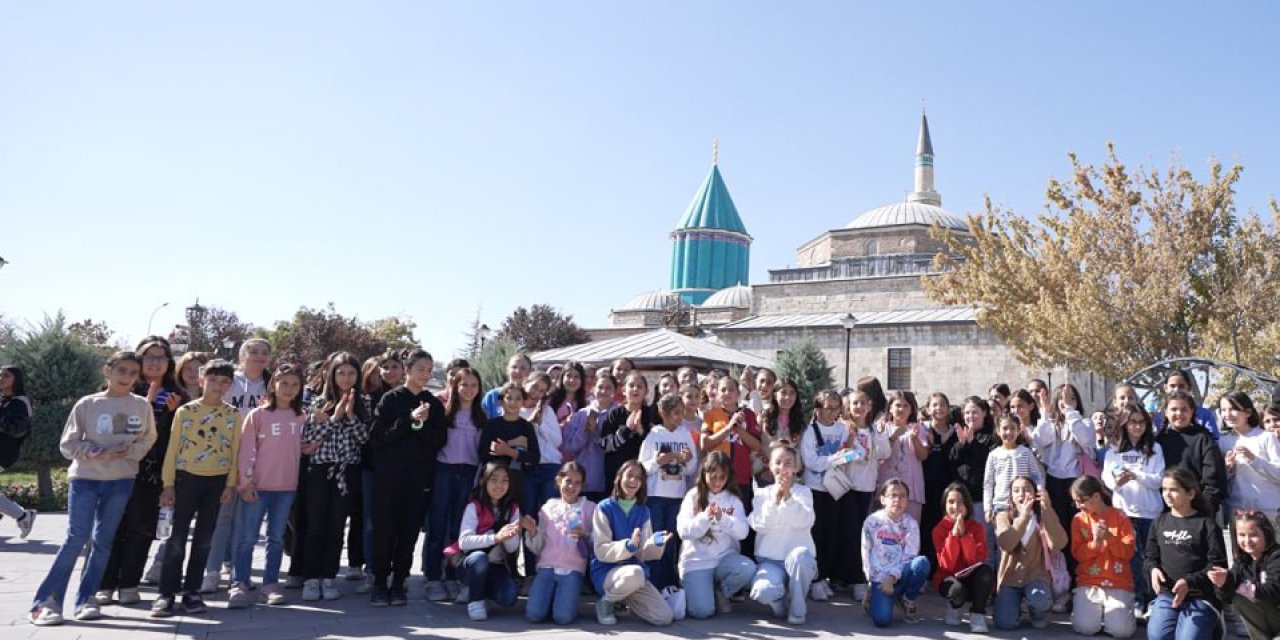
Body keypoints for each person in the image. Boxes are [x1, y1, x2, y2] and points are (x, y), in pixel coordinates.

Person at [28, 352, 156, 626]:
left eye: (134, 373)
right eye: (122, 370)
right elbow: (68, 444)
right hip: (85, 479)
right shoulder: (88, 404)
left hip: (122, 480)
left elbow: (147, 439)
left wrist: (129, 451)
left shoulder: (141, 406)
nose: (127, 377)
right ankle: (46, 603)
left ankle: (86, 600)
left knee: (103, 541)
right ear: (107, 371)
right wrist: (94, 451)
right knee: (76, 539)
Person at [97, 337, 187, 606]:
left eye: (162, 357)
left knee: (140, 528)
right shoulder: (120, 390)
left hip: (151, 474)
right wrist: (145, 405)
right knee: (111, 528)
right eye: (150, 356)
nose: (156, 362)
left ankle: (129, 584)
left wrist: (169, 414)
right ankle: (105, 583)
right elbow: (113, 430)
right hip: (116, 468)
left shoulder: (177, 396)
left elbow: (174, 439)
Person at [151, 358, 240, 618]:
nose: (217, 386)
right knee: (176, 539)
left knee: (204, 540)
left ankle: (192, 591)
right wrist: (168, 485)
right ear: (202, 380)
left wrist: (230, 484)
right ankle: (166, 593)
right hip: (186, 478)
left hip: (217, 481)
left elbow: (236, 452)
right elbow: (172, 449)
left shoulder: (233, 415)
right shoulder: (185, 411)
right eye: (212, 380)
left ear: (230, 386)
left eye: (224, 382)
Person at [369, 349, 446, 606]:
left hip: (418, 480)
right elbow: (379, 437)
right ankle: (380, 582)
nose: (425, 374)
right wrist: (409, 420)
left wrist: (421, 424)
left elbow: (438, 441)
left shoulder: (433, 403)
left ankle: (399, 582)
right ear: (407, 369)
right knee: (384, 531)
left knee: (409, 532)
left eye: (429, 369)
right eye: (421, 368)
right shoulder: (390, 399)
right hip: (389, 478)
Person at [228, 363, 306, 607]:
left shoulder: (301, 416)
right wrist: (245, 482)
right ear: (273, 385)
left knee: (276, 538)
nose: (289, 388)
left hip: (286, 488)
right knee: (247, 537)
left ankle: (270, 584)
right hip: (257, 487)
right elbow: (246, 451)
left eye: (294, 384)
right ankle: (239, 582)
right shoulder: (257, 415)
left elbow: (302, 448)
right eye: (284, 383)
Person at [298, 352, 372, 602]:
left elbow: (364, 439)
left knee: (336, 525)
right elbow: (310, 438)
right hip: (320, 469)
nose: (346, 378)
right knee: (316, 524)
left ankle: (328, 577)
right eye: (341, 373)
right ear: (332, 374)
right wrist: (335, 417)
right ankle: (310, 577)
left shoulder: (364, 403)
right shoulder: (318, 402)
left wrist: (350, 416)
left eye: (351, 373)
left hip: (347, 469)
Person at [203, 338, 272, 593]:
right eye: (253, 351)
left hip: (259, 457)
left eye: (264, 352)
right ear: (243, 356)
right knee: (224, 516)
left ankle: (237, 571)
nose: (259, 356)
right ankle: (211, 572)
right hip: (227, 454)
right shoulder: (231, 381)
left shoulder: (271, 384)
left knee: (246, 520)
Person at [1144, 467, 1228, 640]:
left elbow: (1217, 566)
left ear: (1190, 494)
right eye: (1164, 489)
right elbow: (1150, 557)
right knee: (1157, 637)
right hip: (1168, 595)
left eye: (1174, 490)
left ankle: (1214, 625)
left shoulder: (1207, 525)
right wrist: (1152, 569)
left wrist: (1189, 582)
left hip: (1200, 595)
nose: (1167, 494)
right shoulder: (1159, 522)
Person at [424, 366, 484, 602]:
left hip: (468, 473)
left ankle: (452, 575)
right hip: (444, 470)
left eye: (473, 385)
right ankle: (432, 577)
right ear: (455, 386)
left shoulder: (481, 417)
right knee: (437, 524)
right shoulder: (444, 412)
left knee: (458, 527)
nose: (468, 390)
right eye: (464, 385)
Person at [589, 460, 673, 626]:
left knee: (664, 617)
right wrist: (628, 546)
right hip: (607, 572)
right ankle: (606, 602)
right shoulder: (604, 508)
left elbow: (642, 554)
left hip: (635, 576)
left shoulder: (644, 511)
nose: (633, 481)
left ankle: (622, 598)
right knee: (635, 573)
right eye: (629, 476)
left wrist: (656, 544)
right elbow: (600, 550)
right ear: (619, 477)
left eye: (638, 478)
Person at [1102, 401, 1165, 620]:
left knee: (1150, 558)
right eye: (1133, 422)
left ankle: (1153, 600)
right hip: (1124, 512)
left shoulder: (1155, 449)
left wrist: (1137, 474)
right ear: (1125, 424)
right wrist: (1119, 480)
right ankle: (1137, 599)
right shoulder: (1115, 450)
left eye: (1141, 423)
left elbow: (1158, 480)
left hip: (1149, 512)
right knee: (1130, 559)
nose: (1137, 427)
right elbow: (1108, 481)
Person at [675, 451, 754, 618]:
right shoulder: (692, 496)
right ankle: (695, 587)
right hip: (697, 562)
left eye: (722, 477)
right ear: (704, 474)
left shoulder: (733, 499)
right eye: (713, 477)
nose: (717, 482)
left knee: (748, 568)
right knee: (702, 611)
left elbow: (743, 533)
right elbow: (683, 531)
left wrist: (722, 518)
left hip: (724, 560)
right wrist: (705, 518)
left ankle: (721, 592)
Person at [749, 443, 817, 625]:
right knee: (761, 592)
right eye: (778, 462)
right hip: (770, 560)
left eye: (788, 463)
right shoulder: (761, 494)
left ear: (796, 468)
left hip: (798, 561)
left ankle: (797, 610)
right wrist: (775, 500)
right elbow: (760, 525)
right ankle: (780, 607)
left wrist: (787, 497)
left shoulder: (804, 492)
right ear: (770, 466)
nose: (782, 467)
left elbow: (805, 521)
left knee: (800, 556)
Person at [639, 392, 698, 590]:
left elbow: (691, 469)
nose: (680, 417)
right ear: (663, 413)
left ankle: (669, 582)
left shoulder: (685, 434)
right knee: (656, 540)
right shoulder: (654, 435)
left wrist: (686, 460)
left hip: (677, 496)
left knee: (672, 540)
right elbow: (642, 468)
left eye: (682, 413)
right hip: (655, 496)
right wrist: (657, 462)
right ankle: (654, 581)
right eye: (676, 413)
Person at [455, 462, 529, 621]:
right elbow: (464, 542)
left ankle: (480, 591)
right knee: (479, 559)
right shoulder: (473, 507)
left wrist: (510, 535)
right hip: (472, 564)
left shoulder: (513, 509)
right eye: (494, 480)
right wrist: (495, 538)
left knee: (509, 598)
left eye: (505, 480)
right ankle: (475, 600)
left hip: (496, 566)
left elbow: (512, 548)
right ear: (483, 481)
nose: (499, 485)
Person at [993, 475, 1067, 630]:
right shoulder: (1003, 516)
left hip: (1037, 576)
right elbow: (1006, 543)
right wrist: (1024, 516)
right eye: (1016, 490)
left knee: (1038, 599)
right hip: (1010, 578)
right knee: (1005, 623)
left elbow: (1060, 543)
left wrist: (1047, 508)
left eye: (1027, 489)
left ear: (1035, 493)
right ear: (1011, 496)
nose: (1022, 494)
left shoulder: (1042, 516)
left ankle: (1037, 612)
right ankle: (1015, 607)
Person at [525, 461, 596, 624]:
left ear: (582, 486)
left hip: (572, 569)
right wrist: (532, 531)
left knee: (563, 618)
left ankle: (559, 599)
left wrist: (584, 534)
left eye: (577, 483)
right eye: (568, 481)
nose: (572, 487)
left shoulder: (590, 508)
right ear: (558, 481)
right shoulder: (548, 507)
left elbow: (597, 542)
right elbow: (538, 546)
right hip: (546, 567)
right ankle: (551, 598)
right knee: (534, 615)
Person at [1069, 475, 1137, 639]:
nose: (1078, 506)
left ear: (1097, 496)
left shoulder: (1121, 517)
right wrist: (1095, 543)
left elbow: (1128, 552)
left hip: (1118, 581)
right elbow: (1077, 554)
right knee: (1085, 627)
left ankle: (1116, 613)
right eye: (1075, 502)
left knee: (1122, 632)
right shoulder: (1078, 520)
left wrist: (1109, 538)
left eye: (1082, 501)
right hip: (1089, 581)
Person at [862, 479, 929, 627]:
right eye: (893, 495)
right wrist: (871, 581)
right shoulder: (872, 522)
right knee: (882, 621)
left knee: (921, 563)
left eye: (902, 496)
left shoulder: (910, 524)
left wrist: (892, 577)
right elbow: (866, 553)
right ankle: (873, 596)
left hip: (899, 574)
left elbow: (909, 555)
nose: (898, 500)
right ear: (883, 499)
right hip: (880, 577)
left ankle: (906, 598)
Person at [1209, 510, 1280, 640]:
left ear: (1267, 534)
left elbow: (1273, 591)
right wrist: (1222, 583)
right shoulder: (1242, 561)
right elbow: (1225, 598)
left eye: (1253, 535)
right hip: (1270, 619)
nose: (1247, 540)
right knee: (1238, 596)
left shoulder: (1276, 557)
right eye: (1241, 535)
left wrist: (1237, 585)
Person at [933, 482, 993, 633]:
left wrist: (965, 536)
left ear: (967, 505)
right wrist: (953, 536)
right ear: (944, 505)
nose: (955, 506)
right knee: (957, 591)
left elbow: (976, 561)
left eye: (960, 502)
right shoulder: (938, 530)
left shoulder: (977, 528)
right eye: (951, 502)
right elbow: (947, 565)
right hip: (949, 577)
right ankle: (954, 606)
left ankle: (978, 614)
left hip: (971, 575)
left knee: (986, 572)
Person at [1157, 391, 1227, 513]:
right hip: (1164, 511)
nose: (1179, 413)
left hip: (1198, 510)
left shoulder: (1203, 439)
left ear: (1192, 412)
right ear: (1166, 413)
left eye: (1184, 410)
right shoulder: (1158, 441)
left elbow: (1213, 479)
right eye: (1174, 409)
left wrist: (1206, 507)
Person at [950, 397, 998, 569]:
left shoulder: (991, 436)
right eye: (967, 412)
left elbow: (988, 462)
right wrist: (962, 444)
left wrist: (972, 443)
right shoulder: (960, 435)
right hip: (963, 499)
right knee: (964, 540)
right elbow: (952, 461)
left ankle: (988, 580)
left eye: (975, 412)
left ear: (984, 413)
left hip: (981, 499)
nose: (971, 416)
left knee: (985, 542)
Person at [477, 382, 540, 508]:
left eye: (518, 399)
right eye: (509, 398)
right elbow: (483, 453)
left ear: (523, 402)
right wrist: (512, 444)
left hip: (516, 479)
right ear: (501, 401)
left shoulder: (526, 427)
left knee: (511, 517)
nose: (513, 402)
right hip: (492, 478)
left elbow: (535, 457)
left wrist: (510, 451)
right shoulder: (492, 425)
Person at [599, 372, 656, 494]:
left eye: (640, 386)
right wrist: (626, 430)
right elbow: (604, 445)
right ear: (624, 390)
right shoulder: (614, 414)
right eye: (631, 385)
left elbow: (657, 447)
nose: (635, 389)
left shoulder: (652, 415)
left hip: (643, 476)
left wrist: (642, 432)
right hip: (616, 474)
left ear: (646, 391)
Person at [562, 374, 615, 504]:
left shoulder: (618, 415)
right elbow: (569, 446)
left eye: (608, 388)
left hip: (607, 480)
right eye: (600, 387)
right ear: (593, 389)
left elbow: (617, 447)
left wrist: (597, 432)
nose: (603, 391)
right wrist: (584, 432)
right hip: (582, 480)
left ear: (614, 391)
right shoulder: (580, 415)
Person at [877, 391, 929, 522]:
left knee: (909, 529)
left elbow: (923, 456)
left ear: (911, 409)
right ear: (890, 408)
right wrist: (893, 438)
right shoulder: (882, 427)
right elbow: (878, 455)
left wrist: (914, 439)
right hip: (887, 488)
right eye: (898, 405)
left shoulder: (918, 428)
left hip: (912, 489)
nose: (901, 409)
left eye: (906, 406)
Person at [920, 392, 958, 567]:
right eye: (934, 405)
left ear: (948, 408)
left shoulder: (955, 431)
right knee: (927, 527)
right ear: (928, 409)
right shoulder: (923, 430)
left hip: (947, 487)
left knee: (946, 527)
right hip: (926, 486)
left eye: (942, 404)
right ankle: (927, 568)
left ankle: (945, 567)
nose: (938, 408)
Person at [983, 415, 1045, 522]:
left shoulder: (1025, 452)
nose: (1009, 432)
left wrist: (1040, 492)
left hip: (1023, 502)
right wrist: (987, 508)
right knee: (1005, 536)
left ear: (1018, 430)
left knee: (1026, 535)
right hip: (1001, 505)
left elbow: (1036, 476)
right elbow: (988, 483)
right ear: (998, 431)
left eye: (1012, 428)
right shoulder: (994, 455)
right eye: (1005, 428)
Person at [0, 365, 35, 538]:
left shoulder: (20, 402)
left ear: (16, 380)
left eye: (6, 376)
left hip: (4, 452)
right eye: (0, 375)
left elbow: (17, 429)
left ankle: (22, 516)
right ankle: (22, 516)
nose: (1, 378)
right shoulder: (5, 400)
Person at [1153, 369, 1221, 439]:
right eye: (1172, 386)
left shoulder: (1204, 415)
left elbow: (1214, 439)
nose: (1176, 390)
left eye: (1181, 386)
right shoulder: (1158, 417)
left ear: (1189, 388)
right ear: (1166, 388)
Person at [481, 353, 532, 420]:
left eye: (523, 368)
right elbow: (481, 424)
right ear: (507, 370)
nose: (518, 371)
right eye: (514, 367)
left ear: (529, 372)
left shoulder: (531, 398)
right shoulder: (492, 396)